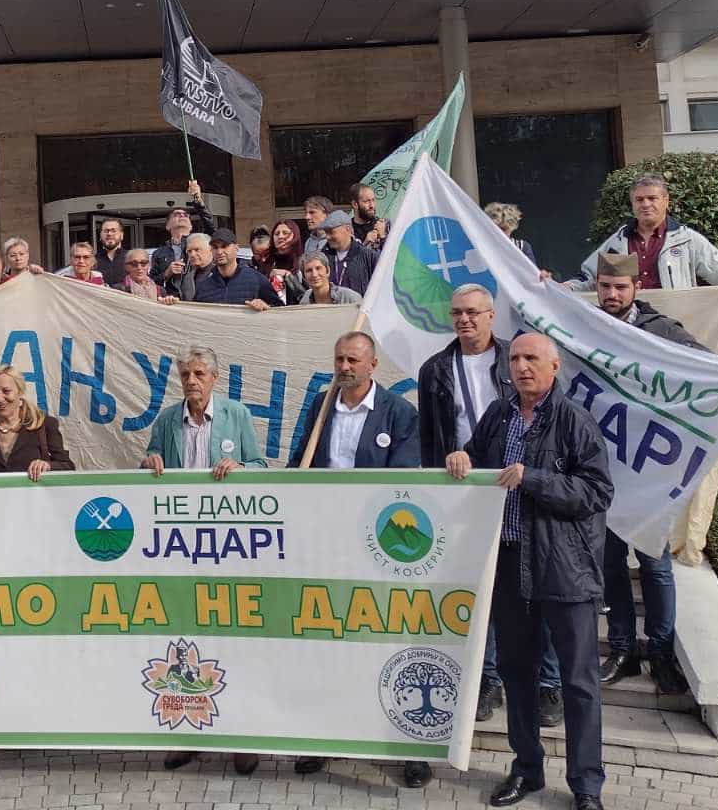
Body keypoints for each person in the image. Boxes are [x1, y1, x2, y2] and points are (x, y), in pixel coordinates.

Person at [590, 253, 718, 695]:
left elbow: (711, 371)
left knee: (654, 561)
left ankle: (662, 653)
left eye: (619, 288)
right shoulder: (585, 328)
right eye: (605, 287)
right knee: (610, 561)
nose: (611, 295)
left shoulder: (661, 330)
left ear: (634, 290)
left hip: (649, 468)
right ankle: (623, 649)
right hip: (604, 464)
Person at [445, 334, 613, 810]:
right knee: (517, 673)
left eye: (531, 359)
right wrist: (462, 457)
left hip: (565, 570)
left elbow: (597, 493)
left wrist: (534, 478)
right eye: (515, 358)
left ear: (554, 366)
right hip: (508, 563)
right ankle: (527, 769)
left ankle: (586, 786)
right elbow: (476, 459)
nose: (521, 366)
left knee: (578, 684)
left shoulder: (574, 421)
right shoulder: (498, 415)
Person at [416, 285, 561, 723]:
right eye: (457, 312)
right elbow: (429, 437)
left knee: (540, 586)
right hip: (465, 486)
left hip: (520, 481)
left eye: (473, 312)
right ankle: (489, 680)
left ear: (491, 315)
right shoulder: (436, 369)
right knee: (484, 589)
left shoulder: (513, 358)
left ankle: (549, 684)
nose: (465, 320)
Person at [288, 332, 426, 789]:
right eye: (338, 358)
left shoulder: (399, 414)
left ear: (372, 365)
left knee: (387, 644)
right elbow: (298, 465)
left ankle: (409, 746)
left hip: (380, 549)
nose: (344, 366)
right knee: (330, 646)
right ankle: (327, 738)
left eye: (352, 359)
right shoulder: (321, 405)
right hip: (327, 547)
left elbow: (403, 481)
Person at [146, 346, 267, 778]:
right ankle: (189, 736)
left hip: (228, 548)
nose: (192, 381)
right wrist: (151, 462)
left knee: (234, 641)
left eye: (199, 374)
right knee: (185, 644)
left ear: (215, 378)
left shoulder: (237, 416)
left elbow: (260, 465)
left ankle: (242, 739)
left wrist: (241, 467)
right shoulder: (166, 421)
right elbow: (147, 467)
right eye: (185, 375)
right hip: (181, 549)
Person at [571, 173, 718, 293]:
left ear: (666, 201)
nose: (645, 204)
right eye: (639, 199)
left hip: (673, 327)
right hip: (631, 326)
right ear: (632, 204)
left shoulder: (686, 239)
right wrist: (562, 288)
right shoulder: (617, 242)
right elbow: (588, 278)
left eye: (652, 198)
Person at [149, 180, 216, 291]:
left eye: (185, 215)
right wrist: (167, 273)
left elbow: (210, 226)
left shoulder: (202, 241)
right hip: (172, 301)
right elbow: (150, 282)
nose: (182, 215)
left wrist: (197, 200)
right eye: (176, 214)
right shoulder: (158, 253)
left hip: (199, 296)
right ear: (167, 226)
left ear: (190, 225)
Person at [193, 229, 283, 308]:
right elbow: (193, 315)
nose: (219, 252)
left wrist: (266, 306)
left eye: (224, 246)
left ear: (236, 248)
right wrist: (178, 307)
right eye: (215, 248)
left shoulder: (257, 280)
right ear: (211, 250)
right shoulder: (203, 286)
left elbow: (280, 310)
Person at [320, 210, 376, 296]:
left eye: (331, 232)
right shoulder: (323, 257)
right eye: (326, 232)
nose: (327, 237)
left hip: (357, 308)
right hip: (331, 308)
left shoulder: (369, 256)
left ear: (348, 230)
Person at [485, 202, 541, 269]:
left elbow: (532, 273)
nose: (500, 233)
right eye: (496, 229)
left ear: (512, 227)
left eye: (504, 229)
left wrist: (542, 276)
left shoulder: (522, 247)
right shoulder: (482, 247)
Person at [294, 252, 361, 306]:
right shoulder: (305, 301)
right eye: (309, 270)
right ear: (304, 277)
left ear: (328, 270)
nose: (314, 274)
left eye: (318, 268)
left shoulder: (350, 298)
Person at [167, 231, 214, 302]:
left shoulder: (222, 273)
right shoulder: (186, 278)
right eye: (189, 251)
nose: (192, 255)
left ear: (211, 249)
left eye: (197, 250)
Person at [350, 182, 390, 251]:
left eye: (373, 200)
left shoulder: (384, 225)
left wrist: (383, 237)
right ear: (355, 204)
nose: (372, 205)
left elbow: (393, 255)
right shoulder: (347, 230)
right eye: (366, 201)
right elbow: (347, 260)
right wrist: (365, 244)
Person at [95, 218, 129, 287]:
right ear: (100, 235)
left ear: (121, 235)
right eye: (106, 231)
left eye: (113, 231)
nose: (109, 234)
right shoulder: (92, 261)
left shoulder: (131, 258)